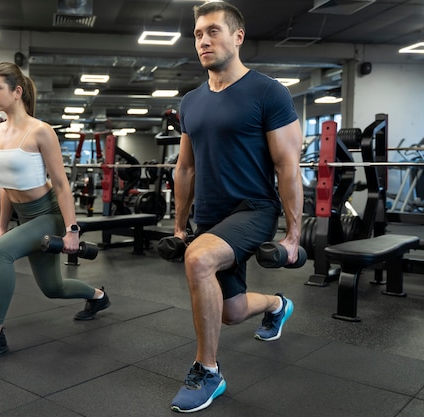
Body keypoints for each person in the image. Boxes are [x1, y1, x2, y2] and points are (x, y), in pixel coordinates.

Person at [169, 2, 303, 413]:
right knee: (232, 311)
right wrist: (178, 227)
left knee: (199, 261)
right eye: (197, 34)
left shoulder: (268, 92)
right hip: (211, 216)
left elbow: (288, 167)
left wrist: (294, 236)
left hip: (254, 208)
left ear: (238, 36)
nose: (204, 41)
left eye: (212, 31)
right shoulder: (191, 101)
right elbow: (185, 168)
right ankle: (277, 305)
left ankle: (207, 371)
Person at [0, 62, 110, 363]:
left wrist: (71, 231)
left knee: (1, 253)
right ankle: (99, 297)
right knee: (53, 289)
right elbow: (5, 186)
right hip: (25, 217)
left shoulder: (41, 131)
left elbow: (63, 186)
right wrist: (1, 228)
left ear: (17, 91)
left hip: (47, 215)